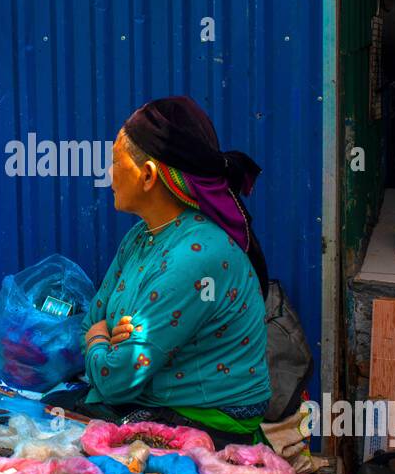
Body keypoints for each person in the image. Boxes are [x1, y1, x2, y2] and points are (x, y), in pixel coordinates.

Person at [72, 96, 271, 446]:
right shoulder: (141, 236)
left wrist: (100, 341)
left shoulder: (196, 257)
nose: (108, 174)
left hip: (205, 422)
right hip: (151, 401)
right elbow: (94, 318)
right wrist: (103, 337)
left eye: (116, 162)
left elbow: (115, 376)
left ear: (147, 175)